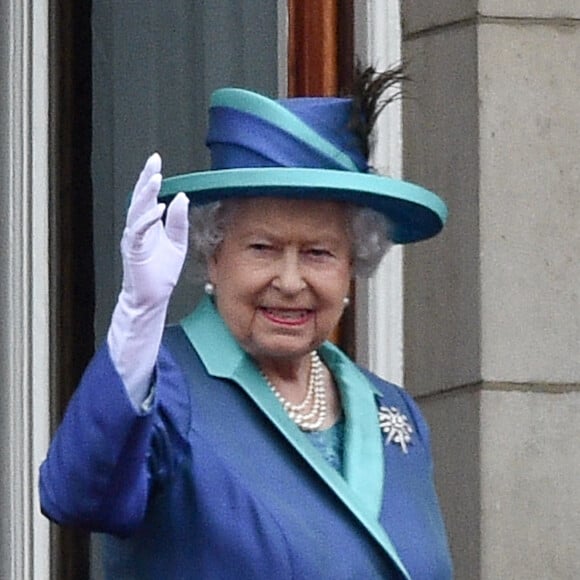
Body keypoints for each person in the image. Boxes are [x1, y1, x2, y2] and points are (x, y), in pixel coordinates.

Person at [40, 68, 453, 579]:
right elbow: (77, 494)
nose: (290, 280)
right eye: (262, 248)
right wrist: (137, 316)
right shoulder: (164, 388)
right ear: (213, 255)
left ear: (353, 266)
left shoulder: (393, 409)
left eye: (319, 253)